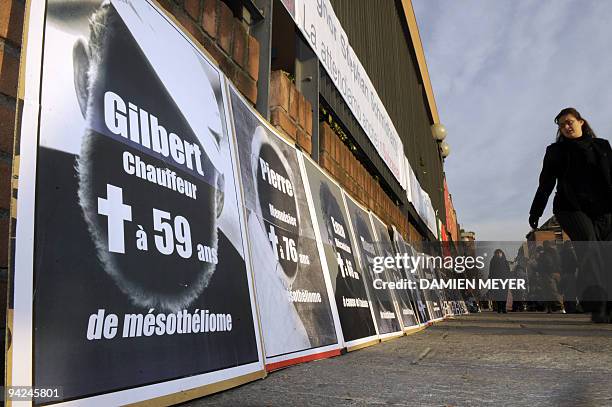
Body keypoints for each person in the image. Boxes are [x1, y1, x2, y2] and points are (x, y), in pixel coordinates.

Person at [529, 107, 612, 322]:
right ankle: (598, 304)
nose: (566, 126)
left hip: (603, 208)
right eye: (561, 124)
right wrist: (536, 211)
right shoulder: (556, 151)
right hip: (570, 207)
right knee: (590, 246)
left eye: (569, 122)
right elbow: (546, 183)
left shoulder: (602, 146)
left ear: (581, 122)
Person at [488, 249, 510, 313]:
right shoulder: (493, 261)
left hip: (504, 280)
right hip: (496, 280)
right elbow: (491, 271)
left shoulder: (505, 261)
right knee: (498, 295)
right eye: (497, 253)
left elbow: (508, 271)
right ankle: (499, 308)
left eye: (499, 253)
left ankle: (503, 308)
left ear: (502, 253)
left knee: (504, 295)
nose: (498, 254)